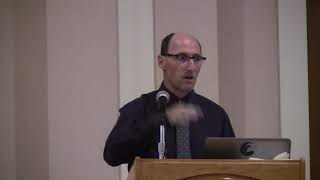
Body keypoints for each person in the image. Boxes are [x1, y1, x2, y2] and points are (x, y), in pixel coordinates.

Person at [103, 32, 235, 170]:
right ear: (161, 61)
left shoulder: (216, 115)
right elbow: (112, 156)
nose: (191, 67)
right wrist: (156, 121)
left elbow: (233, 167)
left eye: (196, 58)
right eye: (182, 58)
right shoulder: (138, 109)